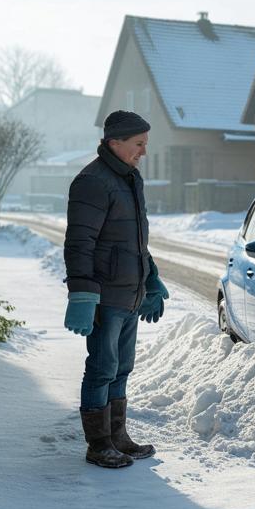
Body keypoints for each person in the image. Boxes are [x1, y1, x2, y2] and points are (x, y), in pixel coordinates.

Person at [63, 110, 169, 468]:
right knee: (102, 367)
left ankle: (118, 436)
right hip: (105, 296)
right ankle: (99, 444)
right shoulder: (92, 181)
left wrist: (150, 279)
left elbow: (136, 242)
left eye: (145, 144)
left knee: (122, 366)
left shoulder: (128, 180)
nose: (143, 151)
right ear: (115, 142)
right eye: (138, 144)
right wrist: (81, 294)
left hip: (129, 294)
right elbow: (79, 243)